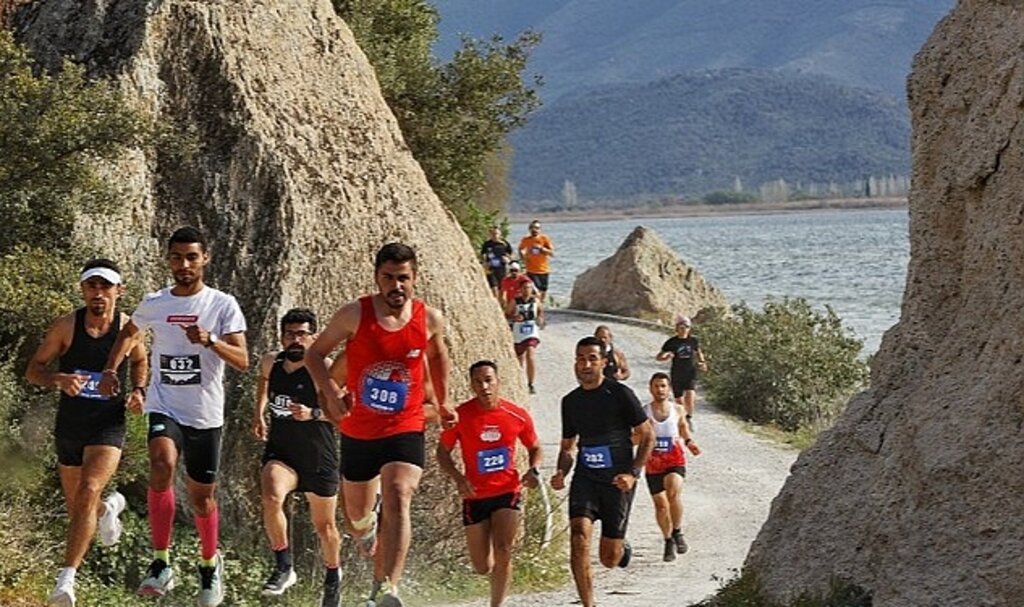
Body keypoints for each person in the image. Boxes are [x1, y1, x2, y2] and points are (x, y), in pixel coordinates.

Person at [99, 226, 248, 607]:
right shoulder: (156, 302)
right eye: (177, 258)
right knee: (161, 463)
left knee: (201, 499)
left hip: (205, 414)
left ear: (205, 259)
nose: (184, 265)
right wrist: (111, 369)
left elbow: (243, 360)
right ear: (168, 260)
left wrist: (211, 341)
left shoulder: (222, 304)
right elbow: (128, 334)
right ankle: (161, 562)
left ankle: (209, 564)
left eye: (191, 257)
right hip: (165, 404)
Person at [305, 242, 456, 607]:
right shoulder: (354, 314)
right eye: (388, 278)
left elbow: (438, 354)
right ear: (377, 278)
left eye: (403, 278)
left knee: (399, 494)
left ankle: (390, 587)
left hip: (405, 425)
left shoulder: (429, 318)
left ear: (414, 278)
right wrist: (331, 393)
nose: (396, 286)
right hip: (359, 430)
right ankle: (368, 527)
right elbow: (314, 354)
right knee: (356, 519)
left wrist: (443, 399)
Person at [25, 259, 148, 607]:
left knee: (89, 488)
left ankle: (66, 581)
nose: (98, 293)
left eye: (105, 286)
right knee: (80, 507)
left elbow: (140, 360)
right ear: (82, 290)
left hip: (108, 424)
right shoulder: (66, 326)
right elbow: (33, 370)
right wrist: (58, 379)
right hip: (70, 426)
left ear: (119, 291)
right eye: (91, 286)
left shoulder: (127, 327)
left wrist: (139, 390)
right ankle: (109, 508)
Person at [551, 336, 654, 607]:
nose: (585, 365)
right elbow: (567, 447)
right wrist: (561, 472)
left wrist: (633, 473)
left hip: (617, 482)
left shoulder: (620, 394)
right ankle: (589, 604)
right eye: (580, 359)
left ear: (603, 362)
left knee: (609, 559)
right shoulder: (570, 401)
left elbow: (647, 435)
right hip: (585, 478)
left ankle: (621, 548)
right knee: (578, 536)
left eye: (592, 359)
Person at [252, 308, 341, 606]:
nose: (295, 340)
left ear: (314, 337)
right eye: (290, 334)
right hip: (283, 452)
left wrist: (313, 413)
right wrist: (258, 412)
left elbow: (345, 413)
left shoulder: (324, 368)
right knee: (271, 495)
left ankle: (332, 579)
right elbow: (263, 379)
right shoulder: (271, 362)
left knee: (325, 527)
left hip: (318, 457)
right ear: (282, 337)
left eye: (302, 334)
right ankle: (283, 566)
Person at [436, 360, 542, 607]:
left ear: (497, 381)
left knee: (504, 549)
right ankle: (494, 572)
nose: (484, 386)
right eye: (478, 382)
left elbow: (535, 446)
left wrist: (534, 469)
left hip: (507, 490)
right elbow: (442, 452)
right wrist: (458, 478)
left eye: (488, 380)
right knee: (482, 566)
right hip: (475, 495)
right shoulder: (461, 416)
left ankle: (496, 603)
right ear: (471, 385)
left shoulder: (516, 414)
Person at [642, 372, 701, 562]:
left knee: (673, 492)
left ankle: (677, 531)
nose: (660, 390)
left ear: (669, 389)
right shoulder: (644, 412)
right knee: (660, 505)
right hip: (653, 462)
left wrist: (690, 442)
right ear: (650, 389)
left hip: (675, 458)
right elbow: (635, 437)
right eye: (656, 386)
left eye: (663, 386)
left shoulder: (678, 409)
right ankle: (668, 540)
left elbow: (683, 429)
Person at [655, 315, 707, 431]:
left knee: (690, 395)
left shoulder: (693, 340)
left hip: (690, 372)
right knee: (679, 400)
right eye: (682, 327)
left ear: (689, 328)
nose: (684, 329)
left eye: (687, 327)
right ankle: (683, 419)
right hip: (677, 373)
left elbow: (698, 352)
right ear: (677, 328)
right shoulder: (671, 342)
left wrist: (702, 362)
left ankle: (689, 417)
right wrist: (666, 357)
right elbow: (658, 357)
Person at [505, 280, 544, 395]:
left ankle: (530, 383)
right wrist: (514, 317)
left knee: (530, 355)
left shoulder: (535, 301)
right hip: (519, 331)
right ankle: (519, 381)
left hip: (532, 331)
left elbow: (540, 311)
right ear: (520, 289)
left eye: (529, 288)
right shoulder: (515, 301)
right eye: (525, 288)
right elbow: (506, 314)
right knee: (520, 358)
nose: (527, 290)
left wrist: (540, 319)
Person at [517, 220, 554, 303]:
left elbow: (551, 253)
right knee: (536, 290)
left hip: (544, 269)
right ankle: (535, 306)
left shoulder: (544, 239)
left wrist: (541, 248)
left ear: (540, 229)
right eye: (532, 228)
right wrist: (522, 256)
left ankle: (540, 305)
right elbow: (520, 249)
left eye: (537, 228)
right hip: (531, 270)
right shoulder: (526, 240)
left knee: (543, 290)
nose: (535, 230)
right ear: (529, 229)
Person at [480, 226, 514, 300]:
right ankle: (496, 303)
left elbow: (511, 254)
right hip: (491, 268)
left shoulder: (504, 243)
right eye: (493, 234)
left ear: (500, 234)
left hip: (502, 268)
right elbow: (482, 254)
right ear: (490, 234)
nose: (495, 236)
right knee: (494, 288)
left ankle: (501, 304)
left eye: (496, 234)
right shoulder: (487, 244)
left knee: (502, 290)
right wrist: (485, 262)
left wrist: (507, 259)